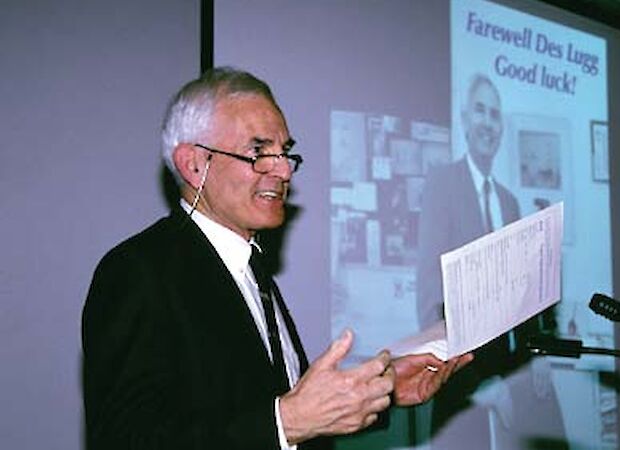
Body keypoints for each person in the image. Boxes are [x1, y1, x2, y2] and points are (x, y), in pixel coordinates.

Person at [81, 67, 470, 450]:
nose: (283, 170)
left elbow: (262, 412)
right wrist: (285, 422)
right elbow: (125, 440)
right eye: (259, 151)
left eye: (285, 152)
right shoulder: (138, 272)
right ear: (194, 164)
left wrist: (380, 389)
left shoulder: (253, 272)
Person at [416, 73, 564, 449]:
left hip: (516, 374)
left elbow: (524, 297)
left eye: (495, 115)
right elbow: (431, 296)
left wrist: (540, 355)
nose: (487, 122)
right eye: (480, 111)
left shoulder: (510, 202)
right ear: (465, 120)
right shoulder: (442, 184)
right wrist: (473, 381)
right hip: (466, 384)